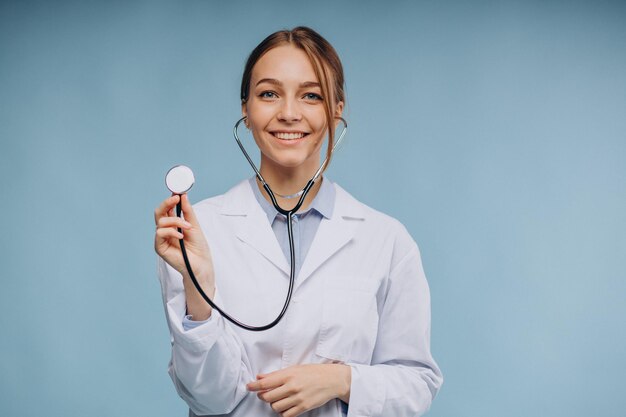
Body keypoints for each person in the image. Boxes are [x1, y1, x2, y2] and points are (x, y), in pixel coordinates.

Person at [154, 26, 442, 417]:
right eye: (269, 93)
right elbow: (208, 397)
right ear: (246, 108)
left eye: (311, 95)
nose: (289, 113)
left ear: (337, 110)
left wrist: (342, 381)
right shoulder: (197, 231)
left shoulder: (387, 240)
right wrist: (199, 286)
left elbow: (416, 383)